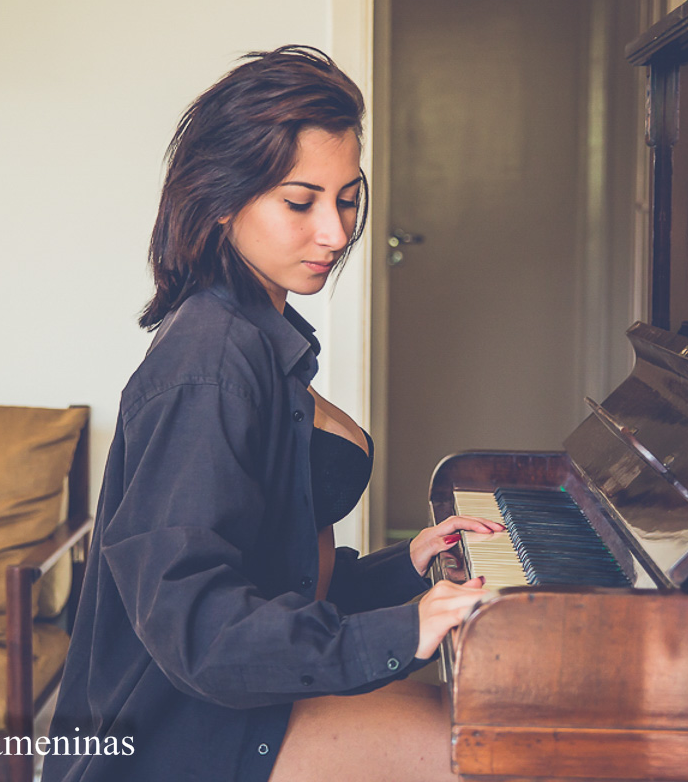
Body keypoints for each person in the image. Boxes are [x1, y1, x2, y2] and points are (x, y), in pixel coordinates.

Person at [41, 45, 503, 782]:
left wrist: (406, 571)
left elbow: (273, 580)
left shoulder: (255, 333)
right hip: (184, 734)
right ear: (223, 199)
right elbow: (197, 628)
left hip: (242, 701)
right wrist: (402, 630)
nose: (335, 231)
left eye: (348, 198)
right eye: (300, 202)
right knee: (499, 749)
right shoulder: (210, 365)